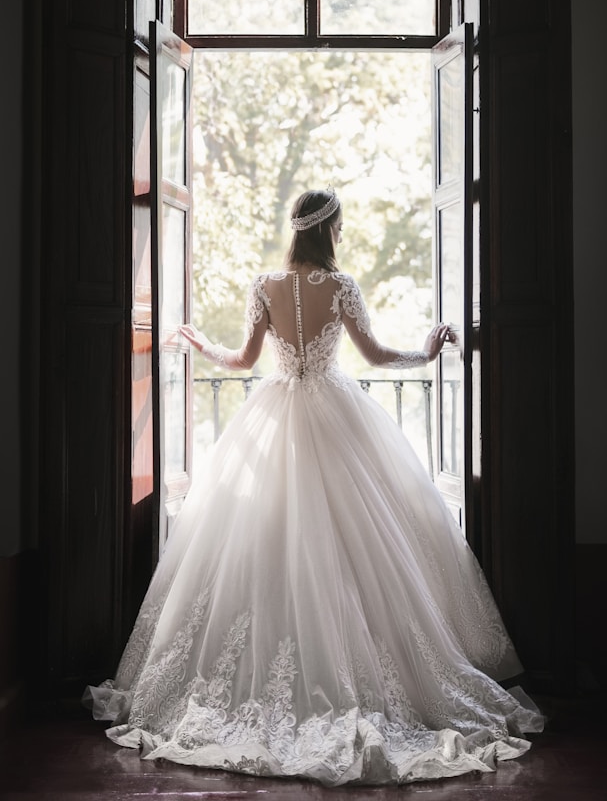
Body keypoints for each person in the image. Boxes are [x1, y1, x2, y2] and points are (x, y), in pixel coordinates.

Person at [84, 188, 543, 786]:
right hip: (336, 415)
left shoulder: (264, 285)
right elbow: (375, 356)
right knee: (359, 548)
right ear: (329, 230)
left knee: (264, 543)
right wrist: (425, 352)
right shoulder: (342, 286)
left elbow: (244, 361)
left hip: (275, 415)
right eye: (343, 226)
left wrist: (201, 345)